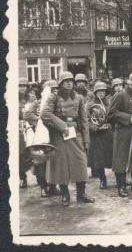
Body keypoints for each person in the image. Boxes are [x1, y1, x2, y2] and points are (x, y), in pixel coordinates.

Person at [41, 71, 95, 206]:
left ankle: (81, 194)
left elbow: (84, 120)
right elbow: (45, 114)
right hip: (59, 135)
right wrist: (62, 125)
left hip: (75, 133)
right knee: (61, 165)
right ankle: (65, 195)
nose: (69, 83)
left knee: (80, 162)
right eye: (66, 81)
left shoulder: (78, 98)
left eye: (71, 80)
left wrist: (86, 140)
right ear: (60, 83)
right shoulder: (54, 97)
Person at [107, 72, 132, 197]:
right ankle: (121, 186)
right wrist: (129, 118)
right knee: (121, 159)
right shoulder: (120, 95)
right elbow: (111, 113)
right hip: (123, 133)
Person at [23, 80, 61, 198]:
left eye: (55, 89)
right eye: (51, 89)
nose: (54, 91)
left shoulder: (59, 102)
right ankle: (43, 187)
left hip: (54, 135)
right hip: (41, 136)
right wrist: (39, 122)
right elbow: (27, 115)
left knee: (54, 161)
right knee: (40, 162)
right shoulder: (38, 103)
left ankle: (53, 187)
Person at [86, 81, 113, 190]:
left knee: (113, 156)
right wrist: (95, 127)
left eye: (103, 91)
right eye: (99, 91)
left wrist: (110, 125)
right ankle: (103, 180)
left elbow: (113, 115)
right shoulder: (90, 104)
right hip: (97, 135)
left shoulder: (109, 103)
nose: (101, 93)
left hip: (108, 134)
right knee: (99, 159)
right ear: (95, 92)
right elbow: (86, 119)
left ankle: (120, 178)